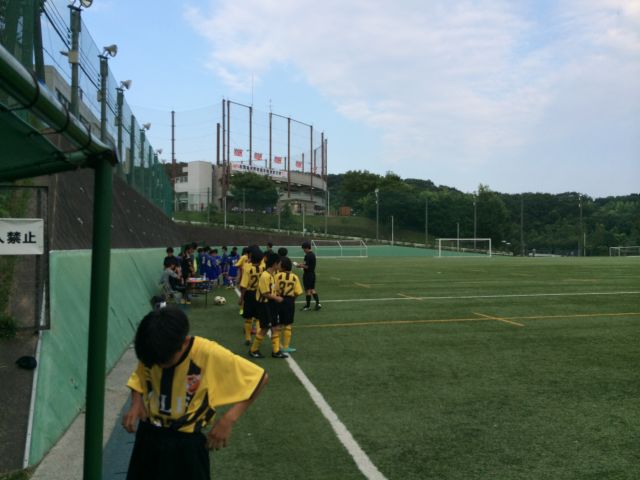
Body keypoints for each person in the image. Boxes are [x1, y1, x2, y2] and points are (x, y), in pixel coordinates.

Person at [122, 307, 268, 480]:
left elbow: (260, 378)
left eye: (165, 361)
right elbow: (140, 374)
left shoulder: (207, 353)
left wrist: (228, 419)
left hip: (187, 444)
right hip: (149, 435)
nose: (160, 366)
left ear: (184, 342)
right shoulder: (154, 349)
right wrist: (136, 402)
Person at [249, 252, 287, 359]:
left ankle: (276, 351)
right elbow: (265, 293)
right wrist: (277, 298)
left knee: (275, 327)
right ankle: (253, 350)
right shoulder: (265, 276)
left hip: (271, 304)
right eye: (279, 263)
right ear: (275, 264)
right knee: (265, 328)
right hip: (265, 305)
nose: (280, 265)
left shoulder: (272, 275)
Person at [275, 256, 303, 353]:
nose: (278, 266)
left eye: (279, 264)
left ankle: (276, 346)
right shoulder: (295, 277)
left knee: (278, 324)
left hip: (278, 300)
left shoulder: (277, 276)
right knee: (288, 324)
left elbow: (273, 288)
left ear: (282, 266)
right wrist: (293, 299)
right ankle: (286, 347)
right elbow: (298, 292)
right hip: (289, 301)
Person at [238, 247, 263, 345]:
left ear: (251, 258)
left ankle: (248, 338)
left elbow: (243, 286)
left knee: (248, 319)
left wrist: (241, 298)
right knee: (258, 318)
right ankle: (257, 336)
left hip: (249, 294)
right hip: (259, 294)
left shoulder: (247, 268)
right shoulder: (263, 268)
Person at [298, 241, 321, 311]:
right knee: (312, 289)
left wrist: (299, 266)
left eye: (304, 249)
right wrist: (302, 264)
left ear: (307, 248)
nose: (303, 250)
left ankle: (307, 306)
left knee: (308, 290)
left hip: (308, 275)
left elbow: (307, 266)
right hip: (312, 274)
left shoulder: (307, 255)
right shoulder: (312, 254)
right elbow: (308, 264)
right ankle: (318, 304)